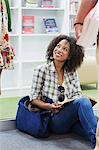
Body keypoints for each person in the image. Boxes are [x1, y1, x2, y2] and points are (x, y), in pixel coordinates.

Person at [30, 35, 97, 148]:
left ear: (70, 56)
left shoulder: (71, 72)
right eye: (58, 46)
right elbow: (33, 98)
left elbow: (77, 93)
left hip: (69, 117)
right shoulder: (41, 70)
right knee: (84, 105)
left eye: (65, 49)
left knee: (93, 124)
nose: (59, 50)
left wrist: (83, 99)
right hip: (54, 119)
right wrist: (49, 106)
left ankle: (96, 142)